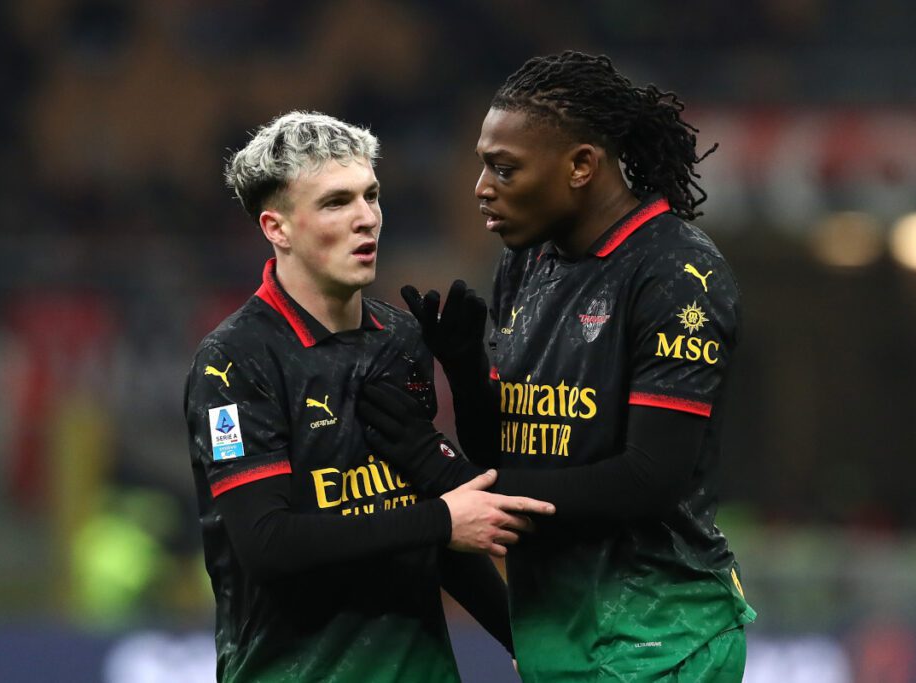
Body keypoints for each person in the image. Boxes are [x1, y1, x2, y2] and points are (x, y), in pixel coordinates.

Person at [357, 52, 757, 681]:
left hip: (657, 636)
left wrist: (449, 477)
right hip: (556, 630)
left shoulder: (675, 274)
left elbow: (648, 479)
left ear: (580, 166)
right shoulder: (526, 261)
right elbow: (510, 449)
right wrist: (464, 370)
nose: (481, 187)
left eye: (504, 168)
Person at [183, 111, 555, 682]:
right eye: (336, 202)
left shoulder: (402, 338)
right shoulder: (235, 359)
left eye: (371, 196)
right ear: (277, 228)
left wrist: (521, 638)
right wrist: (440, 519)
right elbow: (268, 543)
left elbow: (436, 536)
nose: (366, 219)